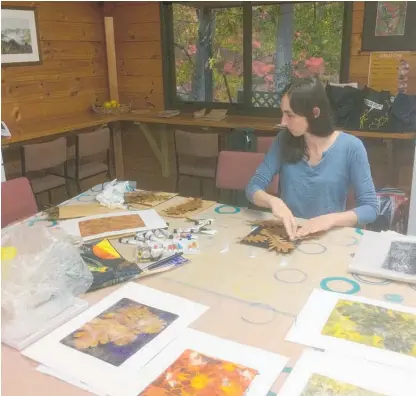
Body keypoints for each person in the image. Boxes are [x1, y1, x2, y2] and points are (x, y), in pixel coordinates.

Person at [246, 77, 379, 240]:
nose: (283, 122)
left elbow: (371, 208)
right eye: (283, 114)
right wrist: (274, 202)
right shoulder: (283, 140)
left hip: (329, 238)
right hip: (290, 234)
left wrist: (331, 220)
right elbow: (253, 186)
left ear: (315, 113)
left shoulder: (351, 147)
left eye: (290, 115)